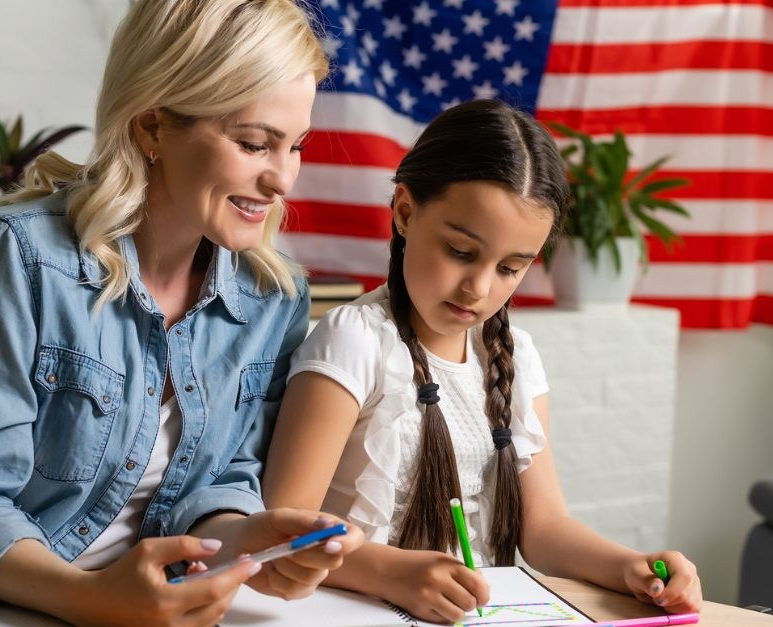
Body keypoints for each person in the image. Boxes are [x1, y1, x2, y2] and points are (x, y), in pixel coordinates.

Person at [0, 1, 362, 625]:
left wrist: (245, 539)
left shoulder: (273, 298)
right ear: (152, 128)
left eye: (297, 146)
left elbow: (220, 479)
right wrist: (94, 600)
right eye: (254, 144)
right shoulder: (15, 257)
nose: (283, 179)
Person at [262, 99, 703, 625]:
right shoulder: (353, 342)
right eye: (461, 252)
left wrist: (627, 565)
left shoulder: (516, 357)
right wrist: (390, 571)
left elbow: (543, 530)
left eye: (511, 268)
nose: (479, 287)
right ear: (405, 212)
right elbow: (282, 531)